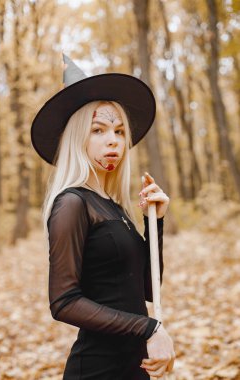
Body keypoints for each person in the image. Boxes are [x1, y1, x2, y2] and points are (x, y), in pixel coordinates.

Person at [31, 54, 175, 380]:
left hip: (135, 366)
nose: (113, 140)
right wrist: (150, 328)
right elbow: (64, 302)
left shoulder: (112, 205)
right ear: (77, 139)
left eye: (120, 131)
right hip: (97, 369)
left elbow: (147, 289)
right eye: (98, 130)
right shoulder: (72, 203)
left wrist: (155, 222)